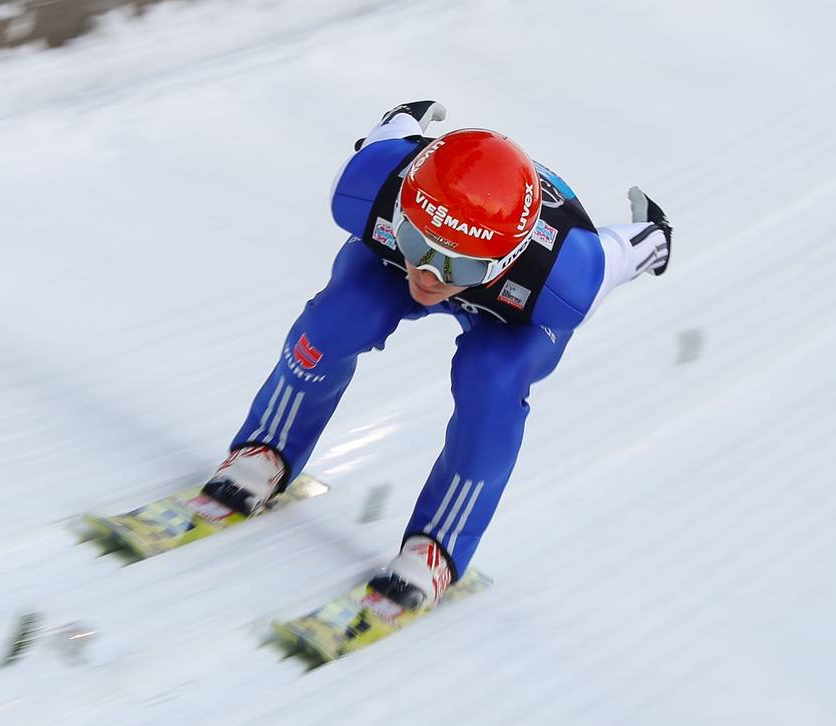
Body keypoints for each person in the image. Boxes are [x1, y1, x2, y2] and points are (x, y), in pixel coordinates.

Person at [201, 101, 672, 611]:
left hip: (514, 309)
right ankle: (266, 450)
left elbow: (622, 253)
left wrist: (656, 238)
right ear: (400, 212)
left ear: (507, 259)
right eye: (416, 242)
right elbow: (392, 132)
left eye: (457, 267)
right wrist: (407, 117)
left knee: (491, 382)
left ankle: (438, 547)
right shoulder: (370, 183)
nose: (427, 276)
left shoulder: (567, 277)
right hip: (439, 266)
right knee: (337, 320)